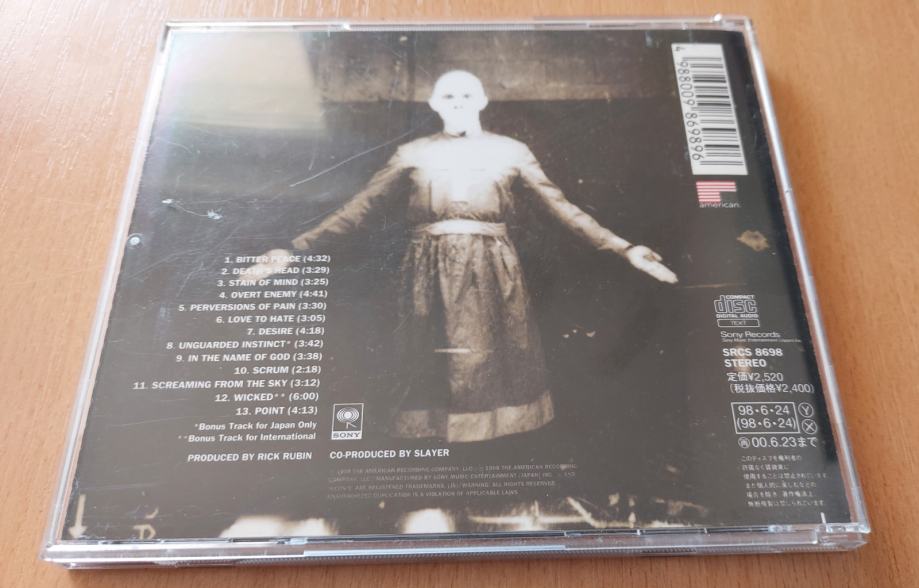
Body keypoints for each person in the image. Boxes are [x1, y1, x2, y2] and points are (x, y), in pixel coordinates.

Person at [248, 70, 677, 443]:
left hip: (493, 271)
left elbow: (562, 209)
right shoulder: (411, 153)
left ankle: (494, 453)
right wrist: (295, 249)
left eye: (467, 94)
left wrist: (625, 249)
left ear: (483, 100)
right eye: (448, 95)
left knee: (490, 361)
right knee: (428, 363)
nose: (458, 102)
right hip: (426, 271)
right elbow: (359, 209)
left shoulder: (512, 151)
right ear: (434, 103)